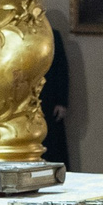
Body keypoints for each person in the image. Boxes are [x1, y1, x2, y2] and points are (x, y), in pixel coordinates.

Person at [40, 16, 73, 167]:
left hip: (50, 97)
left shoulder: (53, 36)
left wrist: (62, 101)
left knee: (54, 143)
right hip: (27, 98)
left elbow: (62, 70)